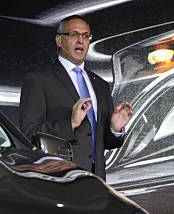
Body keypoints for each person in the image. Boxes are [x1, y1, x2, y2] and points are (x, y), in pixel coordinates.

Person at [19, 15, 133, 179]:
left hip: (96, 181)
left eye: (86, 36)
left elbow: (107, 142)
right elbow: (29, 135)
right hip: (59, 179)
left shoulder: (100, 85)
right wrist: (70, 124)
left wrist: (115, 129)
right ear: (59, 40)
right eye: (74, 35)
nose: (81, 40)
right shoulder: (38, 79)